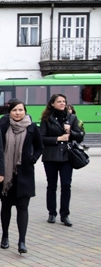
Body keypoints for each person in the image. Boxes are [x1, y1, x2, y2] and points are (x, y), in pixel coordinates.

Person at [0, 99, 44, 254]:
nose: (18, 113)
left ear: (25, 111)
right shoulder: (3, 126)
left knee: (23, 207)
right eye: (15, 110)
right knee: (6, 207)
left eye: (21, 110)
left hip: (24, 174)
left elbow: (39, 147)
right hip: (7, 176)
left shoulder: (32, 127)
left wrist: (33, 159)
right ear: (10, 112)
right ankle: (5, 237)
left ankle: (22, 241)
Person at [40, 93, 84, 226]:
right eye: (59, 101)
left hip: (66, 157)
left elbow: (80, 136)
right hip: (50, 156)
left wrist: (71, 133)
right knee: (51, 185)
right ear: (52, 103)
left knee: (66, 185)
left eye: (64, 101)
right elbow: (41, 138)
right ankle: (52, 213)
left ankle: (65, 215)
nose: (62, 103)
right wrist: (58, 139)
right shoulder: (46, 119)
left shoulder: (72, 118)